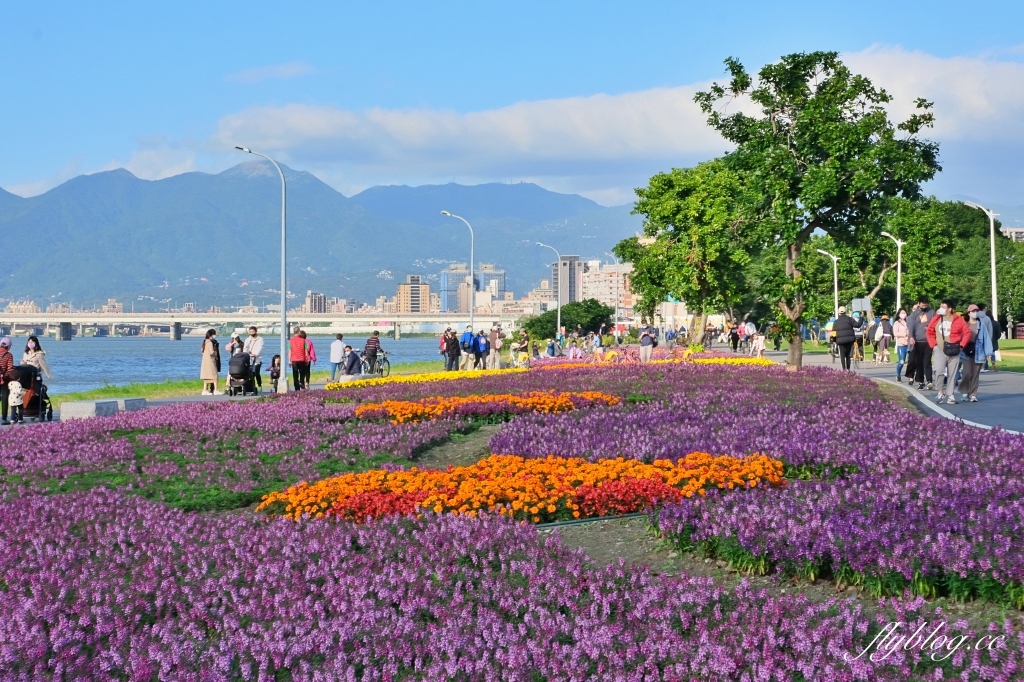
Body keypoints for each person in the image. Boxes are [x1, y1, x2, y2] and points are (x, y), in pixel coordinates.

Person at [926, 300, 970, 404]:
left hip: (954, 349)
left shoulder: (958, 320)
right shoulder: (936, 318)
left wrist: (962, 345)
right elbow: (929, 331)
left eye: (944, 307)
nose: (941, 308)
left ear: (949, 309)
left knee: (952, 374)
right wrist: (934, 345)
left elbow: (967, 332)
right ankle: (940, 392)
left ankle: (950, 395)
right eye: (940, 306)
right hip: (940, 349)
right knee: (939, 371)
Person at [959, 304, 992, 403]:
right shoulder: (964, 324)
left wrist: (988, 352)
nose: (975, 313)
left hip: (978, 352)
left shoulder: (981, 325)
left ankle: (972, 394)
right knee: (967, 373)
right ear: (968, 313)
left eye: (976, 311)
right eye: (973, 311)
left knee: (975, 375)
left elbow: (986, 339)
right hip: (965, 352)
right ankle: (964, 391)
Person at [907, 297, 936, 390]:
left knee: (927, 361)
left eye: (926, 305)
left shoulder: (932, 312)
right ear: (919, 304)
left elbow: (936, 323)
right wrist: (911, 337)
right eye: (922, 305)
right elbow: (910, 326)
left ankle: (929, 381)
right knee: (918, 362)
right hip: (917, 341)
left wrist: (930, 328)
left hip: (928, 341)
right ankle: (921, 381)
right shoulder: (914, 314)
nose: (924, 307)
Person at [831, 306, 856, 371]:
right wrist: (861, 317)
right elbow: (857, 325)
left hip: (840, 341)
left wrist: (834, 340)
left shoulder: (836, 322)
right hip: (849, 340)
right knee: (848, 355)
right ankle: (848, 369)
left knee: (842, 355)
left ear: (839, 313)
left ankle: (843, 369)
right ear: (845, 312)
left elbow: (834, 333)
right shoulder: (850, 319)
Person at [200, 329, 222, 395]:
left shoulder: (204, 342)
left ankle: (205, 390)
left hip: (205, 361)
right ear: (211, 335)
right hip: (210, 361)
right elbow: (211, 352)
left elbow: (202, 351)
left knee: (206, 376)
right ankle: (215, 390)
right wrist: (215, 353)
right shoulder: (209, 342)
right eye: (214, 334)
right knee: (214, 375)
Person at [893, 309, 910, 382]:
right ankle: (898, 375)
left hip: (909, 343)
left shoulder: (909, 322)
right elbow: (895, 333)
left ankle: (911, 376)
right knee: (901, 361)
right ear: (899, 314)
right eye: (902, 313)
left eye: (904, 313)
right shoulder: (897, 323)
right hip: (901, 344)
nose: (903, 314)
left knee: (911, 361)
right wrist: (904, 334)